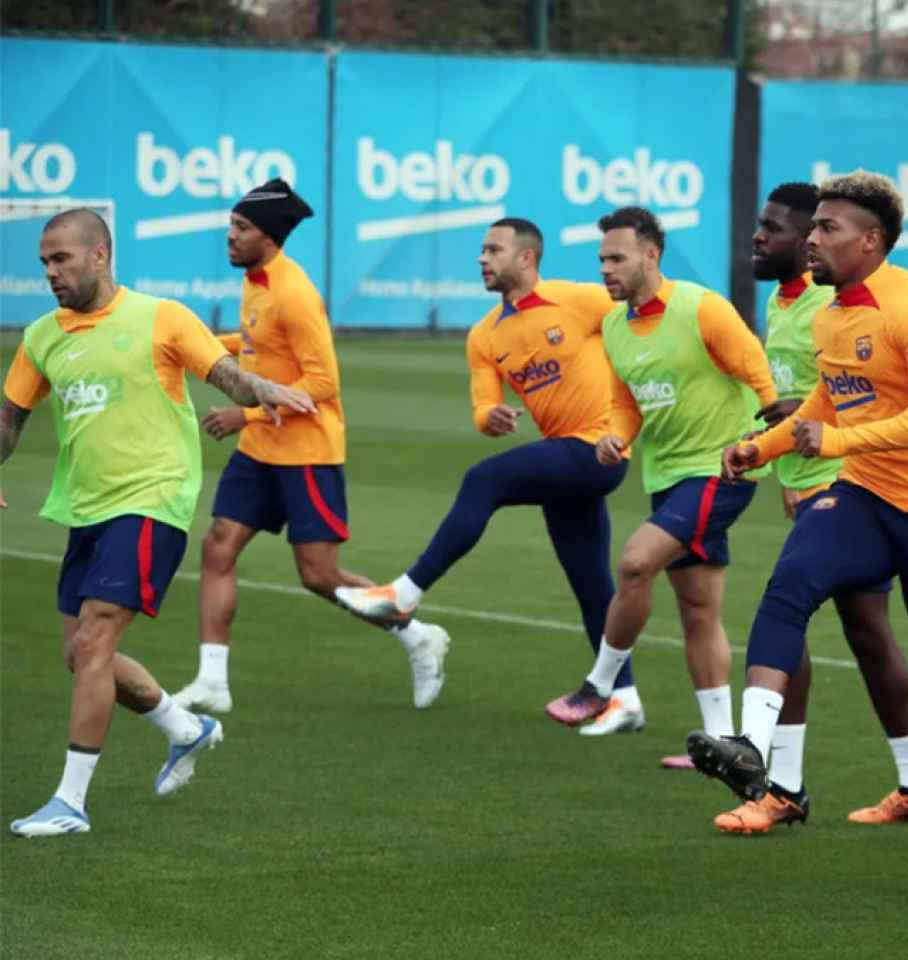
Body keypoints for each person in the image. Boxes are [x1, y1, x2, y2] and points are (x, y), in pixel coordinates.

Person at [691, 171, 908, 907]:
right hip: (864, 492)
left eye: (828, 228)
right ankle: (753, 750)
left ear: (871, 241)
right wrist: (760, 448)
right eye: (815, 225)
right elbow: (834, 394)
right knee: (790, 585)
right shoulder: (830, 312)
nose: (814, 238)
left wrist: (836, 438)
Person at [2, 208, 314, 837]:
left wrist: (261, 390)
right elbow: (10, 417)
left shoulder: (160, 317)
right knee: (80, 654)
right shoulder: (41, 336)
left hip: (152, 500)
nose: (50, 273)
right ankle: (185, 726)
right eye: (43, 263)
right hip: (86, 506)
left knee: (93, 643)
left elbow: (224, 375)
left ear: (99, 255)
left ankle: (70, 802)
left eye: (61, 259)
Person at [713, 182, 908, 835]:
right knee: (866, 634)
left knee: (792, 607)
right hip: (815, 472)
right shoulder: (790, 301)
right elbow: (822, 390)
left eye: (776, 227)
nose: (764, 237)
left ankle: (780, 783)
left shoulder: (837, 293)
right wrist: (771, 450)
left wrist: (810, 442)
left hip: (849, 478)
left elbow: (863, 387)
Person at [173, 179, 450, 714]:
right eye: (231, 225)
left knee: (318, 575)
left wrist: (245, 412)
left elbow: (323, 383)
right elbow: (256, 347)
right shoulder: (255, 281)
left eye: (242, 228)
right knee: (218, 546)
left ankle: (418, 637)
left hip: (306, 453)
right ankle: (212, 681)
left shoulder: (294, 293)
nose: (230, 236)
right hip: (261, 449)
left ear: (270, 237)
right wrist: (197, 347)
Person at [335, 218, 630, 710]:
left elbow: (640, 324)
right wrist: (488, 417)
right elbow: (481, 406)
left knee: (484, 479)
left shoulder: (579, 300)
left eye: (493, 249)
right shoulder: (484, 336)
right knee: (592, 585)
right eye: (481, 250)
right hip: (565, 459)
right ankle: (622, 696)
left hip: (598, 449)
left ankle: (406, 593)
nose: (482, 259)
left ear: (527, 258)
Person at [545, 206, 777, 771]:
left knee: (633, 563)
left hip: (720, 470)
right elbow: (626, 401)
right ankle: (723, 745)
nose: (606, 269)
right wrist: (616, 439)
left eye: (617, 257)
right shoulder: (615, 327)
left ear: (652, 255)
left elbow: (757, 370)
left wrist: (768, 434)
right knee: (698, 609)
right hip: (669, 474)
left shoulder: (701, 308)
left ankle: (599, 685)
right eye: (601, 258)